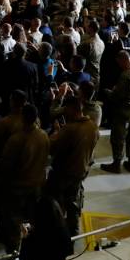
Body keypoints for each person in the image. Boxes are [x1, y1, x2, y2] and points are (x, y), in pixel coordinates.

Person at [0, 103, 49, 250]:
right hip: (36, 186)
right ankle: (35, 251)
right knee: (34, 221)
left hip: (18, 189)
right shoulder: (43, 135)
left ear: (22, 118)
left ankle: (12, 258)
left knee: (13, 225)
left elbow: (5, 166)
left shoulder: (16, 140)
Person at [45, 95, 98, 234]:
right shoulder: (92, 126)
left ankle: (56, 231)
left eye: (65, 109)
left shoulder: (69, 129)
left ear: (71, 109)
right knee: (73, 203)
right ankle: (74, 231)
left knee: (56, 202)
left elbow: (51, 147)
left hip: (64, 172)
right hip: (81, 171)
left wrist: (57, 131)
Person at [101, 51, 130, 173]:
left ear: (123, 60)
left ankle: (116, 164)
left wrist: (108, 92)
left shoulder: (125, 76)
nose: (119, 65)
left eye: (119, 62)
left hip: (123, 111)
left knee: (118, 137)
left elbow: (117, 96)